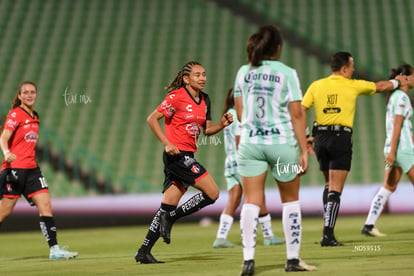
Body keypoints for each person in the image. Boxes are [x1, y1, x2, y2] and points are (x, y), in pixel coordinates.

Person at [301, 52, 408, 246]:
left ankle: (327, 231)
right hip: (340, 137)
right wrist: (398, 82)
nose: (353, 70)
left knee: (328, 184)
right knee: (336, 189)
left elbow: (300, 110)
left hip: (320, 138)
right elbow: (380, 86)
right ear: (343, 69)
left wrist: (306, 135)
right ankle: (328, 235)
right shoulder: (352, 84)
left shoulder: (316, 85)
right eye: (351, 66)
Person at [234, 25, 316, 275]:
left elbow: (239, 112)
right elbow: (297, 114)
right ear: (278, 48)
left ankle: (248, 260)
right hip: (281, 145)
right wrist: (304, 149)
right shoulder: (287, 73)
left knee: (250, 201)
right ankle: (292, 260)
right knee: (290, 201)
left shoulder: (243, 72)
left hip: (250, 144)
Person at [134, 61, 233, 264]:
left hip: (189, 155)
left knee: (166, 206)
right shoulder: (176, 97)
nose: (203, 78)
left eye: (204, 74)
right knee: (212, 193)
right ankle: (171, 218)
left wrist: (222, 125)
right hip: (176, 156)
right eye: (197, 75)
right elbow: (152, 119)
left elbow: (207, 131)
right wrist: (166, 143)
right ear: (186, 79)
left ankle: (144, 251)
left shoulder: (205, 99)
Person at [0, 81, 78, 260]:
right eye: (25, 92)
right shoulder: (15, 114)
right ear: (19, 96)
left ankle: (55, 250)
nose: (29, 95)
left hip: (32, 170)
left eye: (32, 92)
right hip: (15, 169)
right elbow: (4, 137)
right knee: (4, 211)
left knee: (46, 205)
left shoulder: (35, 116)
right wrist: (7, 152)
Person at [213, 88, 284, 249]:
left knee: (233, 199)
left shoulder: (227, 115)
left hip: (229, 162)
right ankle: (268, 235)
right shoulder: (238, 115)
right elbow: (240, 140)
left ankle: (221, 237)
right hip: (241, 161)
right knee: (258, 196)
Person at [361, 63, 414, 237]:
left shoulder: (394, 96)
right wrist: (393, 151)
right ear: (405, 78)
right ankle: (368, 225)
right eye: (413, 75)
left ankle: (369, 225)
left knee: (388, 187)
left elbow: (400, 125)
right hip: (402, 148)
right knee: (388, 186)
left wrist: (391, 150)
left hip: (393, 147)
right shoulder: (402, 97)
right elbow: (398, 125)